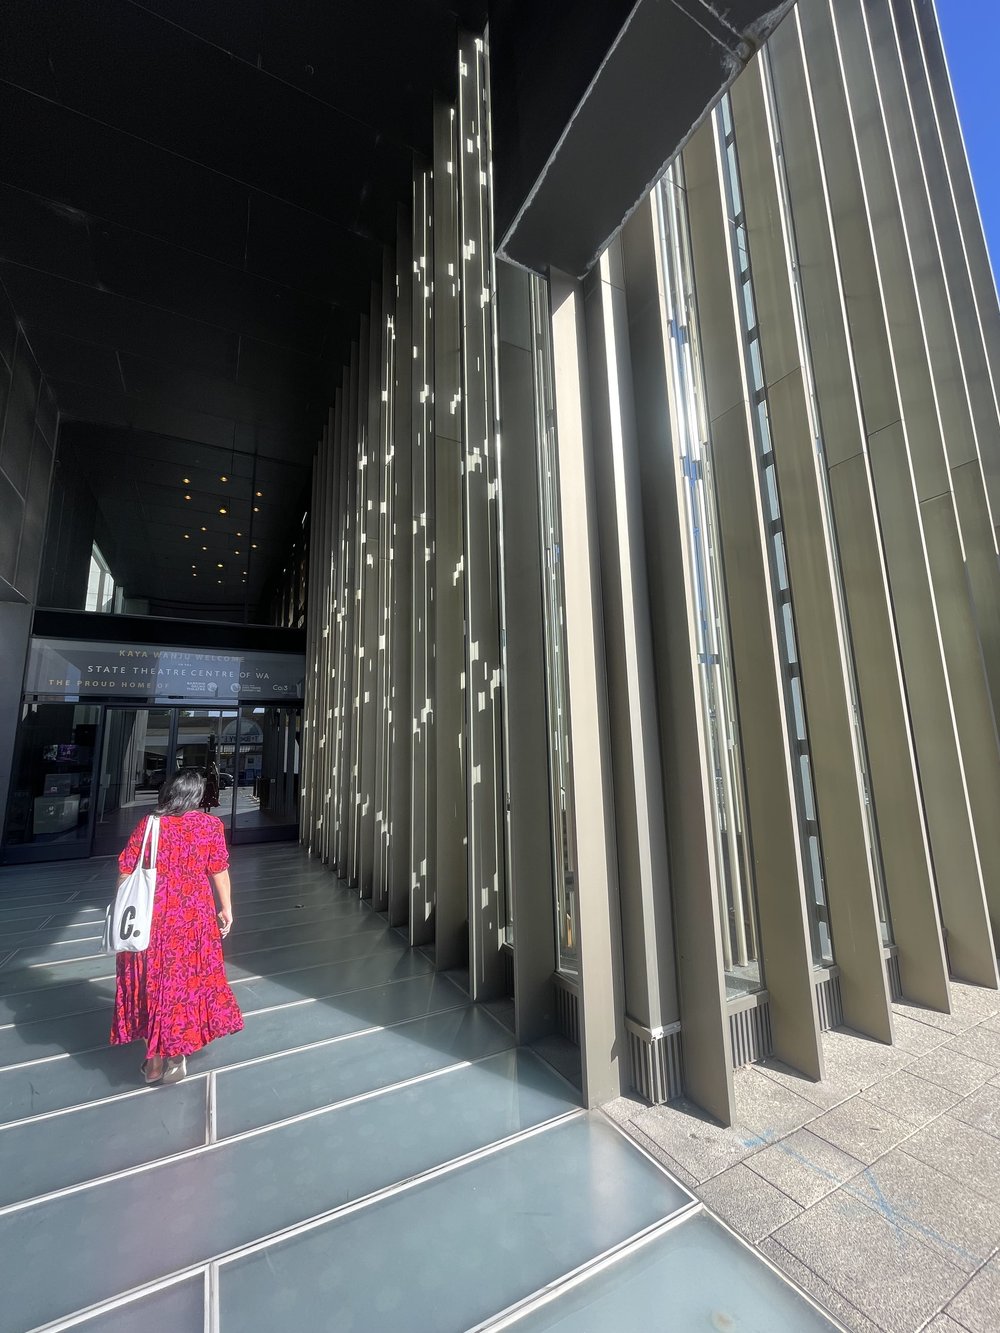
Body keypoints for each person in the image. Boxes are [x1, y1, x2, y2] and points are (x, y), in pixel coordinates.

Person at [109, 767, 243, 1085]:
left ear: (169, 792)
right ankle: (177, 1050)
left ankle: (153, 1062)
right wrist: (227, 908)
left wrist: (123, 908)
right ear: (197, 796)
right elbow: (218, 870)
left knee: (148, 984)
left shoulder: (150, 824)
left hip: (150, 919)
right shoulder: (210, 825)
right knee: (184, 983)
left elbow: (126, 870)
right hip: (193, 919)